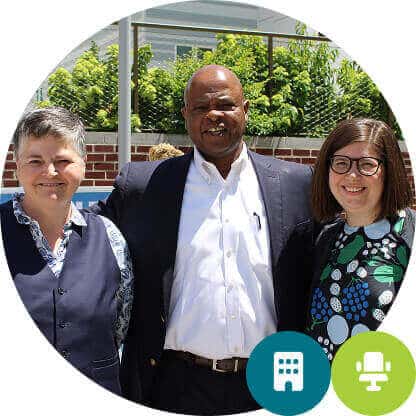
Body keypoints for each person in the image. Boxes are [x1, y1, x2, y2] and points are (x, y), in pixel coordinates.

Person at [93, 65, 314, 414]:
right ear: (185, 116)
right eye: (200, 107)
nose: (213, 115)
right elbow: (85, 242)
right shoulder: (142, 186)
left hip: (275, 379)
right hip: (175, 385)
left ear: (245, 110)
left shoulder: (296, 183)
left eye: (225, 105)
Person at [0, 107, 133, 395]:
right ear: (16, 165)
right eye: (35, 160)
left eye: (62, 160)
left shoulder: (110, 238)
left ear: (83, 164)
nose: (50, 172)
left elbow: (119, 325)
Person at [306, 118, 414, 360]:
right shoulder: (327, 238)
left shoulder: (409, 234)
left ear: (389, 170)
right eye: (341, 163)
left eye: (366, 164)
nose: (352, 175)